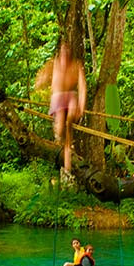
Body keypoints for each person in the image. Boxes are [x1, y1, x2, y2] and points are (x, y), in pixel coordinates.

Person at [35, 39, 87, 178]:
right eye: (62, 52)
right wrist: (39, 83)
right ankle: (65, 151)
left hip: (70, 97)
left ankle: (68, 144)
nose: (64, 56)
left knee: (69, 119)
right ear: (60, 54)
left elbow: (82, 86)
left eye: (67, 53)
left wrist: (81, 105)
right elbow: (43, 74)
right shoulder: (54, 63)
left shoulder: (76, 65)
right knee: (60, 130)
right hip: (57, 98)